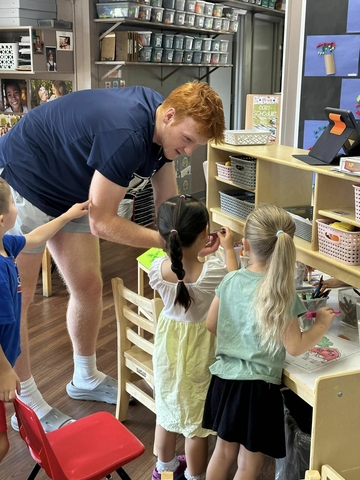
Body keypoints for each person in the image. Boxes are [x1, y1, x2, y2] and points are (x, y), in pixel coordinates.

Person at [0, 81, 225, 432]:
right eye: (189, 139)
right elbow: (102, 223)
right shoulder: (126, 134)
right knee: (18, 301)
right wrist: (168, 245)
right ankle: (25, 399)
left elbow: (168, 201)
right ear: (169, 116)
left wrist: (187, 238)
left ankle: (85, 376)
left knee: (88, 285)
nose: (190, 150)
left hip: (72, 191)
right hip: (28, 177)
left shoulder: (163, 132)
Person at [202, 204, 337, 480]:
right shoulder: (283, 294)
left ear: (246, 246)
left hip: (225, 382)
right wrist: (322, 324)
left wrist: (239, 340)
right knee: (248, 464)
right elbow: (296, 346)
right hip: (257, 392)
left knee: (223, 453)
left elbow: (211, 324)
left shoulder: (230, 280)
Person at [0, 177, 90, 463]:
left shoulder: (5, 243)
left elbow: (35, 238)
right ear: (2, 219)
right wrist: (4, 369)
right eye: (15, 202)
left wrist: (66, 216)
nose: (18, 206)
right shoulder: (0, 271)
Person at [148, 194, 238, 480]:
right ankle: (195, 477)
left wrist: (201, 250)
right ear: (204, 233)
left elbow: (182, 269)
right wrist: (227, 248)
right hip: (199, 349)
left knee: (166, 410)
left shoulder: (157, 269)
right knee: (195, 423)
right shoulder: (213, 272)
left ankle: (164, 473)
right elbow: (236, 280)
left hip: (168, 346)